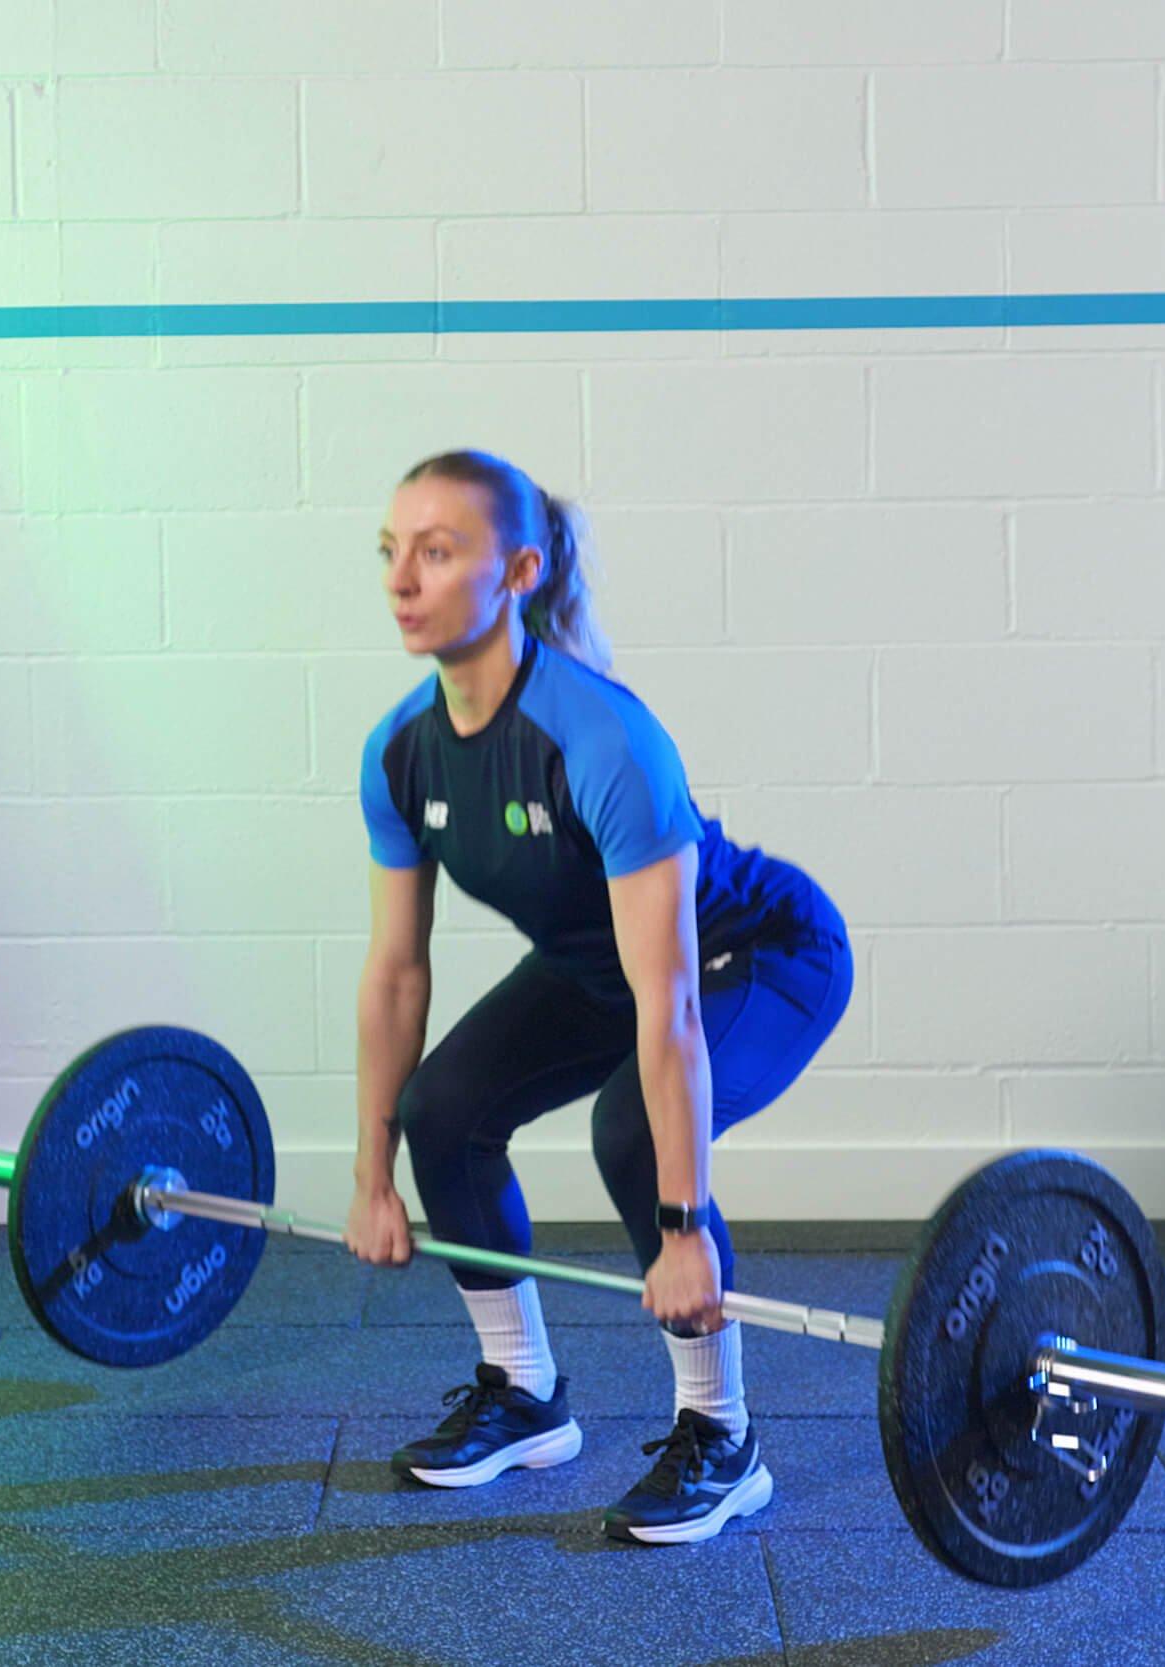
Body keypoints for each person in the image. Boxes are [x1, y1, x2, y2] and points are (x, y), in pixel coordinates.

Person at [344, 448, 855, 1545]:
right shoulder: (399, 754)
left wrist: (682, 1233)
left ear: (519, 569)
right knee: (442, 1110)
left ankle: (722, 1435)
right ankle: (523, 1392)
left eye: (438, 552)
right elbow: (396, 971)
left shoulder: (600, 739)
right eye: (392, 551)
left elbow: (667, 1004)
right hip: (601, 967)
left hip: (754, 954)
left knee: (632, 1129)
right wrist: (370, 1174)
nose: (402, 579)